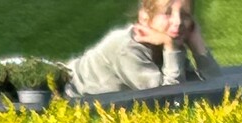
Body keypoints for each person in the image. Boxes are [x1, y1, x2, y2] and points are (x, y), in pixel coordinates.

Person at [68, 0, 217, 96]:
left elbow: (216, 85)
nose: (178, 22)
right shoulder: (127, 49)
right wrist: (171, 47)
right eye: (167, 14)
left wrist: (198, 45)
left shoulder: (168, 42)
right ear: (145, 17)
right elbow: (168, 100)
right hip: (69, 93)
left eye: (185, 15)